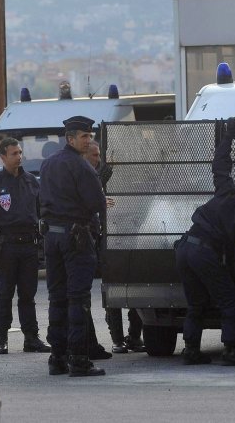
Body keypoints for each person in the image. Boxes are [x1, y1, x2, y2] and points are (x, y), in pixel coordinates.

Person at [175, 117, 235, 366]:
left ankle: (191, 350)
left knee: (196, 303)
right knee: (229, 301)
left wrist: (229, 136)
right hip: (204, 254)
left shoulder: (226, 190)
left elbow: (220, 164)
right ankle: (231, 351)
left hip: (184, 247)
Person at [38, 115, 108, 377]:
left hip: (52, 236)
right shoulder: (81, 166)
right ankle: (78, 359)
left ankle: (57, 357)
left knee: (57, 297)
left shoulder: (48, 163)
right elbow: (96, 203)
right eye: (83, 136)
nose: (88, 140)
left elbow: (40, 198)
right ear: (70, 139)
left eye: (89, 136)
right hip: (76, 237)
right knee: (78, 298)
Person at [0, 137, 50, 355]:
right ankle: (1, 337)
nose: (19, 157)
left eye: (20, 153)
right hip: (6, 247)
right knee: (4, 293)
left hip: (29, 245)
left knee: (28, 294)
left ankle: (31, 337)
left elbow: (42, 211)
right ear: (3, 157)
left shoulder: (31, 181)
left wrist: (43, 241)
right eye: (14, 154)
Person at [84, 139, 143, 354]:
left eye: (100, 156)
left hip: (127, 233)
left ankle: (133, 336)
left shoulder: (121, 176)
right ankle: (118, 339)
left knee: (135, 289)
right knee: (113, 289)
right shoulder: (87, 175)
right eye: (95, 155)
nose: (99, 160)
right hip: (105, 239)